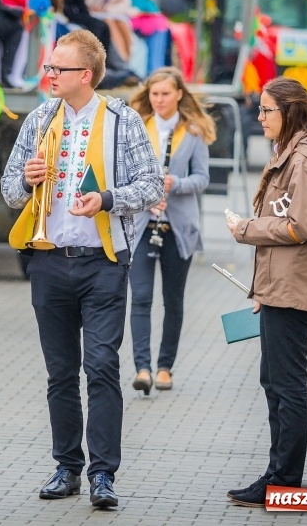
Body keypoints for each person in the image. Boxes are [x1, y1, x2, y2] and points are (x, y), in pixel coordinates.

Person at [1, 29, 162, 508]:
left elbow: (151, 185)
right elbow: (10, 190)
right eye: (49, 67)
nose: (48, 74)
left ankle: (103, 475)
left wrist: (108, 200)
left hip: (104, 265)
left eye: (57, 68)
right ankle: (66, 467)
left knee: (102, 367)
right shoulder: (38, 118)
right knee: (59, 372)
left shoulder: (122, 121)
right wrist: (27, 183)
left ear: (85, 75)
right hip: (48, 262)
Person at [226, 77, 307, 506]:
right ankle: (279, 475)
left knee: (286, 384)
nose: (259, 118)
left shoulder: (303, 161)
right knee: (274, 380)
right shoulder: (295, 154)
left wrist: (245, 229)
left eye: (266, 110)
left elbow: (301, 225)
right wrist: (263, 287)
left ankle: (284, 482)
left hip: (293, 287)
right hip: (282, 286)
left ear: (289, 112)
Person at [126, 67, 214, 393]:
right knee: (141, 298)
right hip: (141, 224)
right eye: (154, 94)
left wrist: (174, 183)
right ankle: (142, 368)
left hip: (178, 228)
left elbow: (202, 178)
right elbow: (123, 176)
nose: (159, 100)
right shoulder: (137, 128)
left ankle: (165, 367)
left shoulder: (193, 131)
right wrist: (143, 194)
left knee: (173, 301)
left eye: (165, 94)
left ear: (179, 94)